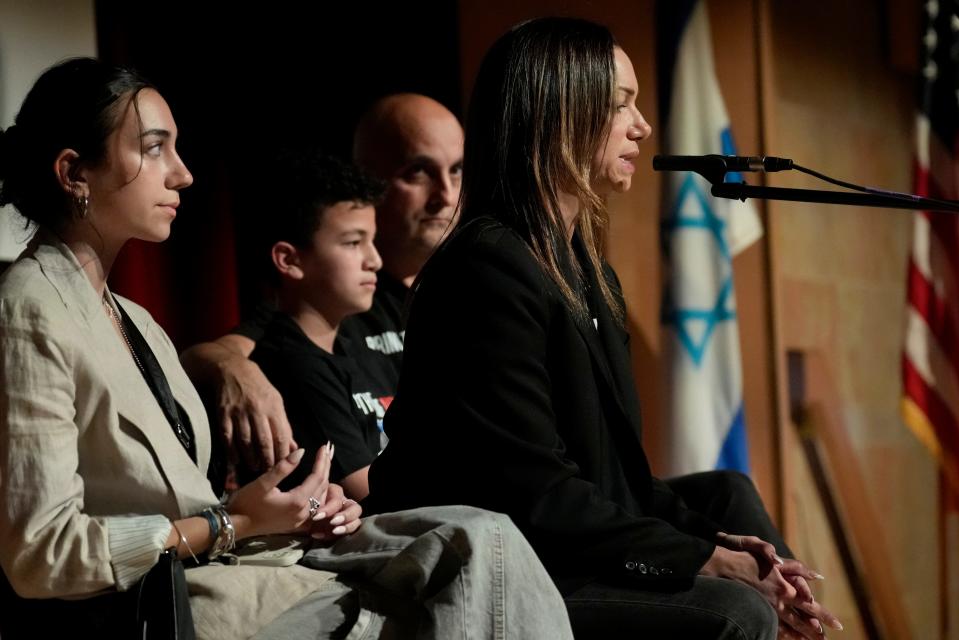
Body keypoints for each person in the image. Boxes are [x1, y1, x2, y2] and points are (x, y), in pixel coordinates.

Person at [0, 57, 574, 639]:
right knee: (477, 572)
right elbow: (41, 553)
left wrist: (293, 514)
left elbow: (195, 506)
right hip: (175, 609)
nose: (182, 174)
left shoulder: (137, 321)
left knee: (483, 535)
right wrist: (236, 521)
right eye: (154, 149)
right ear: (74, 172)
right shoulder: (27, 309)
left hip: (245, 570)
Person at [365, 18, 843, 640]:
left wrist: (723, 546)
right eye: (621, 105)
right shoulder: (487, 268)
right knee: (736, 607)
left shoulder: (588, 270)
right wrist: (702, 560)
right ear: (559, 114)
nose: (641, 126)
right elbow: (534, 493)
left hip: (553, 546)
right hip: (496, 569)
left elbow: (619, 478)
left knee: (726, 499)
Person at [179, 93, 463, 473]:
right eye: (419, 172)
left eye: (457, 170)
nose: (446, 195)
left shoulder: (468, 294)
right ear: (369, 177)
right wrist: (238, 371)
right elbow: (205, 356)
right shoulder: (331, 298)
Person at [245, 151, 392, 500]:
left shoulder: (351, 347)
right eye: (354, 243)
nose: (375, 260)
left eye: (372, 241)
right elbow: (366, 491)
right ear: (289, 260)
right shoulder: (294, 363)